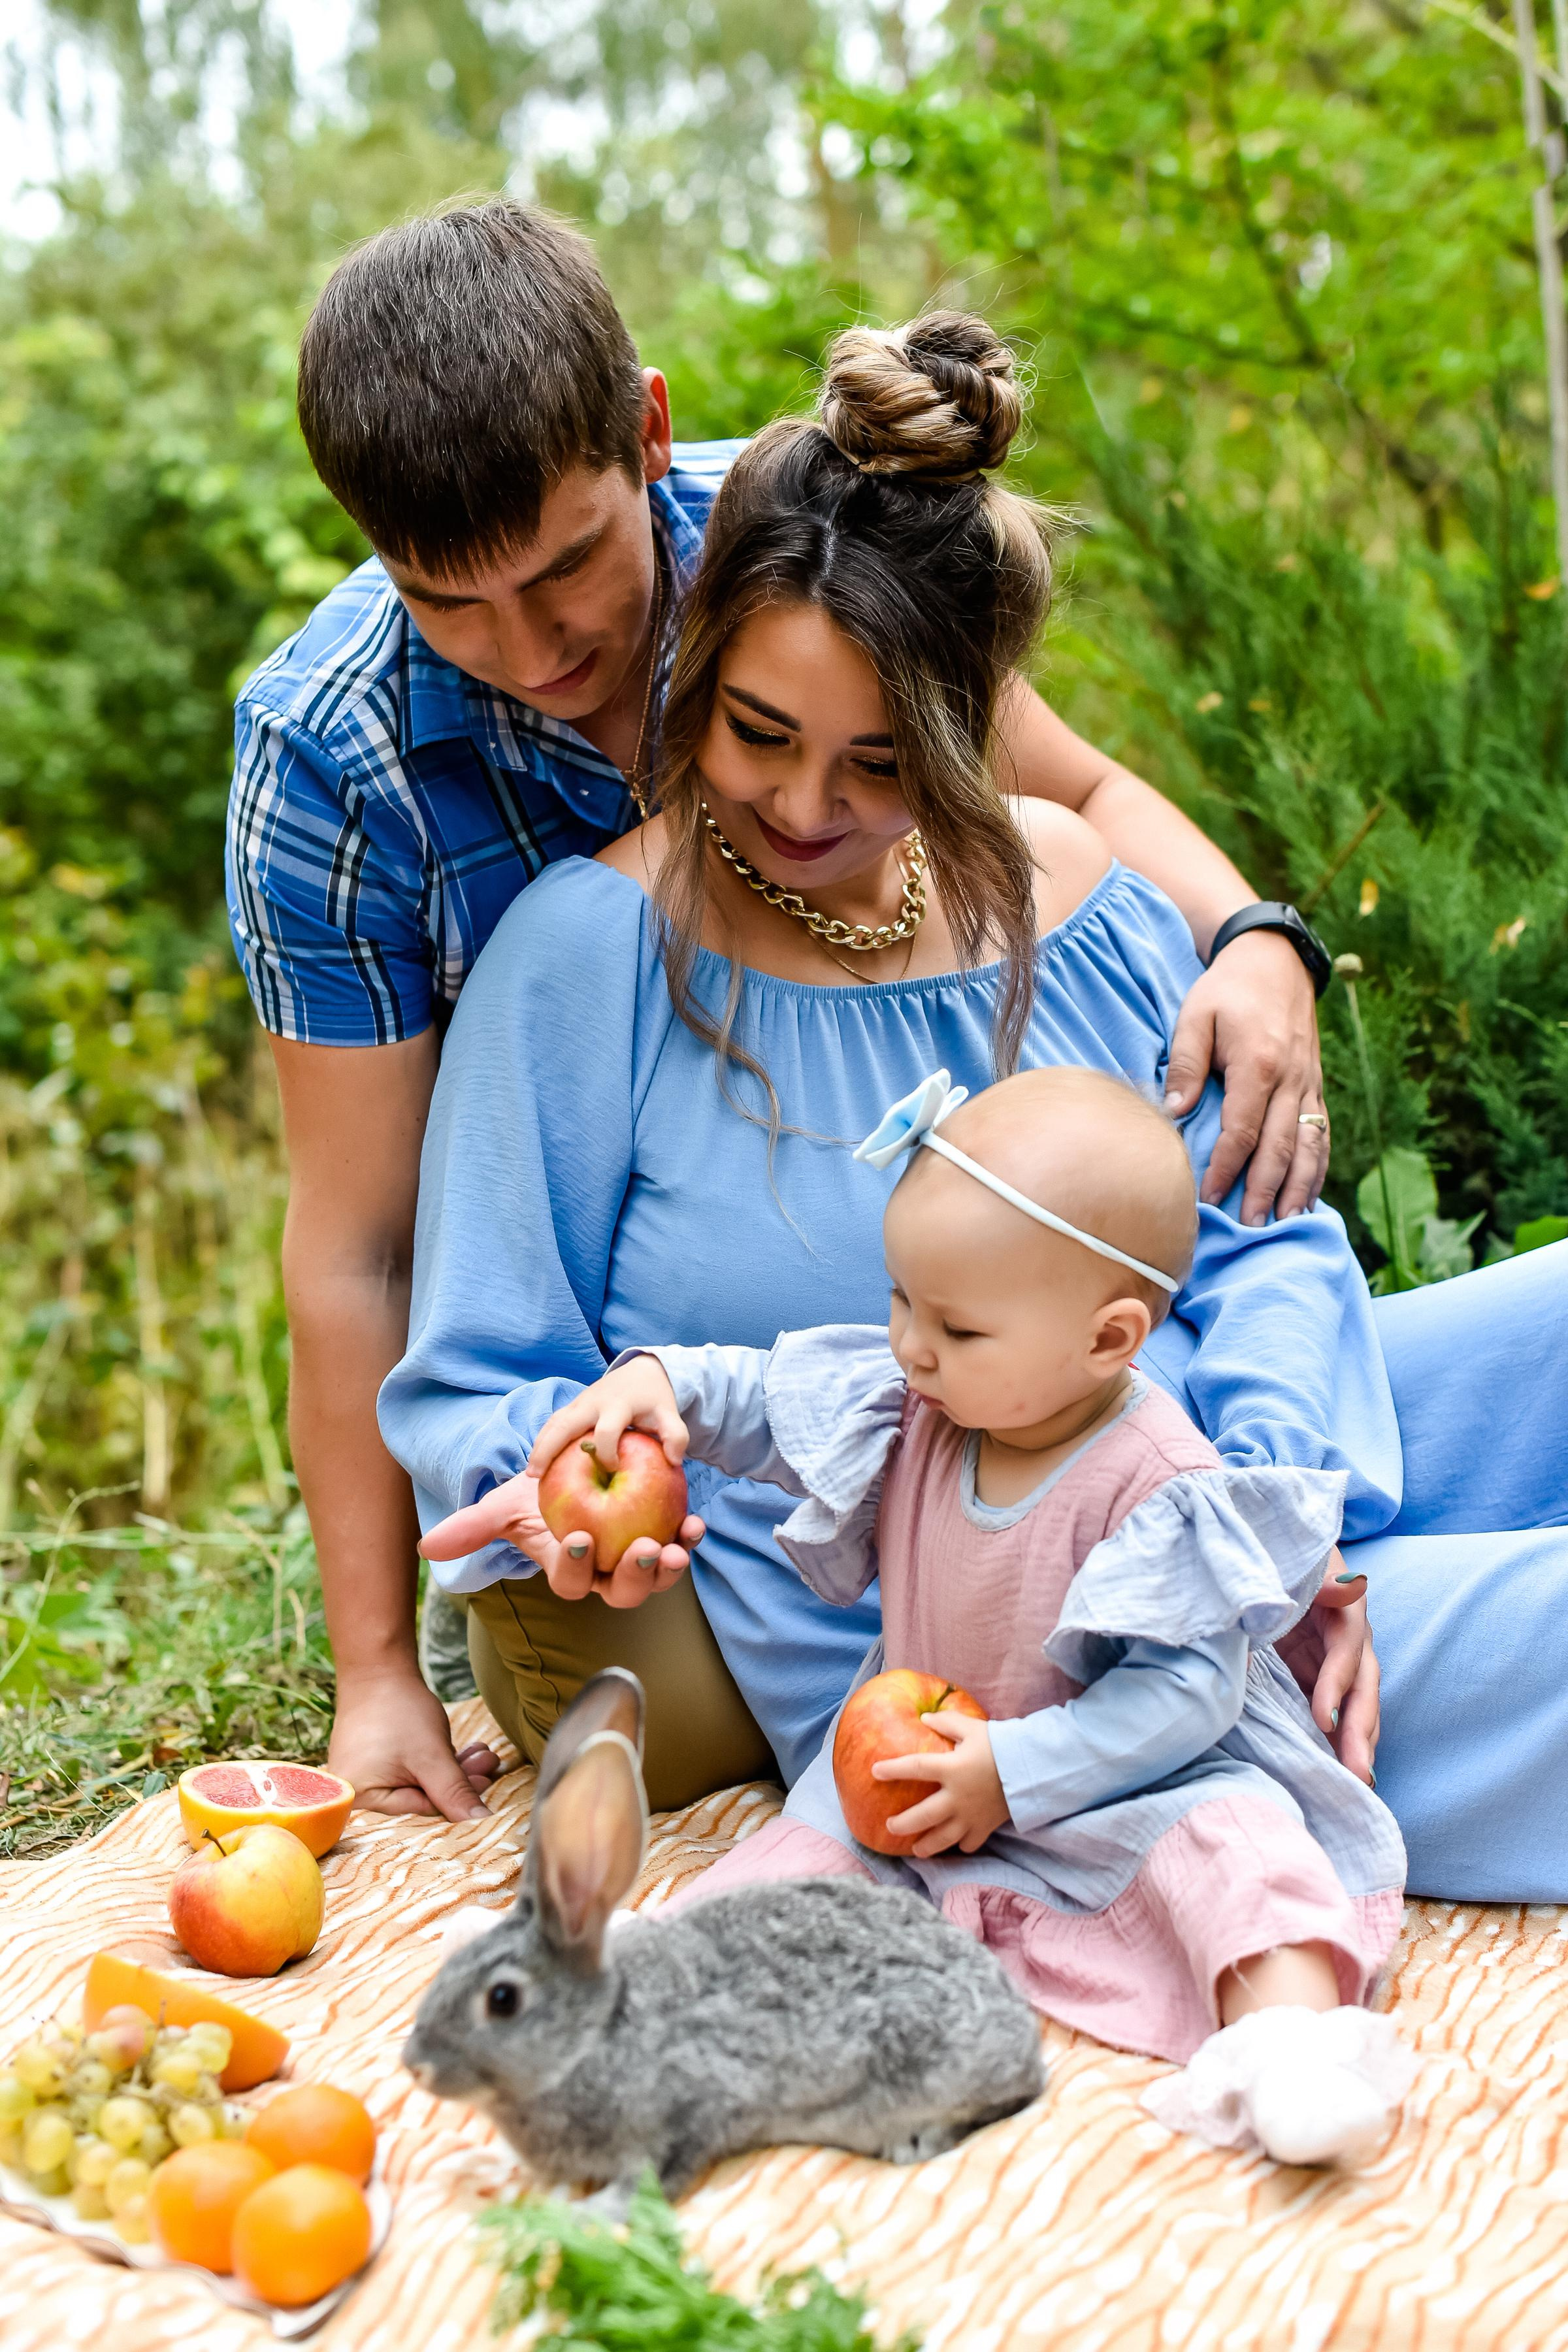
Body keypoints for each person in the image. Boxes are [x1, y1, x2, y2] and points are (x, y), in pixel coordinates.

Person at [388, 308, 1568, 1903]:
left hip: (1208, 1481)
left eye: (882, 763)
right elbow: (478, 1380)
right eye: (758, 732)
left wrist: (1294, 1524)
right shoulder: (586, 963)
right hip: (1033, 1652)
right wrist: (561, 1485)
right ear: (704, 661)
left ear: (972, 725)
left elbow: (1252, 1253)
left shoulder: (1071, 895)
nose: (808, 807)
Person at [227, 202, 1332, 1828]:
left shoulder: (792, 542)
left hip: (1017, 1394)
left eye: (563, 571)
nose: (531, 652)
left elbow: (1065, 781)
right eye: (447, 605)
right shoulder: (335, 765)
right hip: (669, 1432)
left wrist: (1250, 937)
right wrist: (378, 1667)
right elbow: (358, 1247)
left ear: (651, 434)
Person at [516, 1065, 1414, 2168]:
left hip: (1124, 1782)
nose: (911, 1345)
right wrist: (668, 1387)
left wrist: (1019, 1767)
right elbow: (765, 1399)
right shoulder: (921, 1408)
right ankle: (630, 1981)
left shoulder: (1156, 1479)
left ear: (1109, 1338)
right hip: (917, 1775)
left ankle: (1288, 2045)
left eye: (957, 1328)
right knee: (795, 1856)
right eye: (901, 1300)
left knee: (1243, 1852)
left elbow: (1187, 1693)